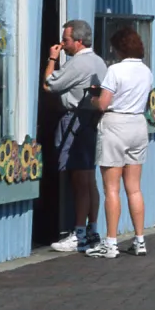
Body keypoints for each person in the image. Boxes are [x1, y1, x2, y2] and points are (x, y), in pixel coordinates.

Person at [86, 27, 153, 259]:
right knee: (134, 187)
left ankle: (111, 243)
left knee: (111, 188)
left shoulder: (115, 70)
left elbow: (104, 104)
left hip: (116, 125)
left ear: (119, 48)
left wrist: (92, 98)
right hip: (138, 124)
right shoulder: (146, 71)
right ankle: (140, 240)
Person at [43, 20, 107, 253]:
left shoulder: (79, 63)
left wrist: (52, 58)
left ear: (79, 41)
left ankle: (79, 233)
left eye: (66, 40)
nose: (62, 43)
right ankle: (92, 230)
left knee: (80, 180)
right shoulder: (99, 61)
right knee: (89, 180)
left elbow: (50, 85)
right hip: (91, 122)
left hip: (77, 120)